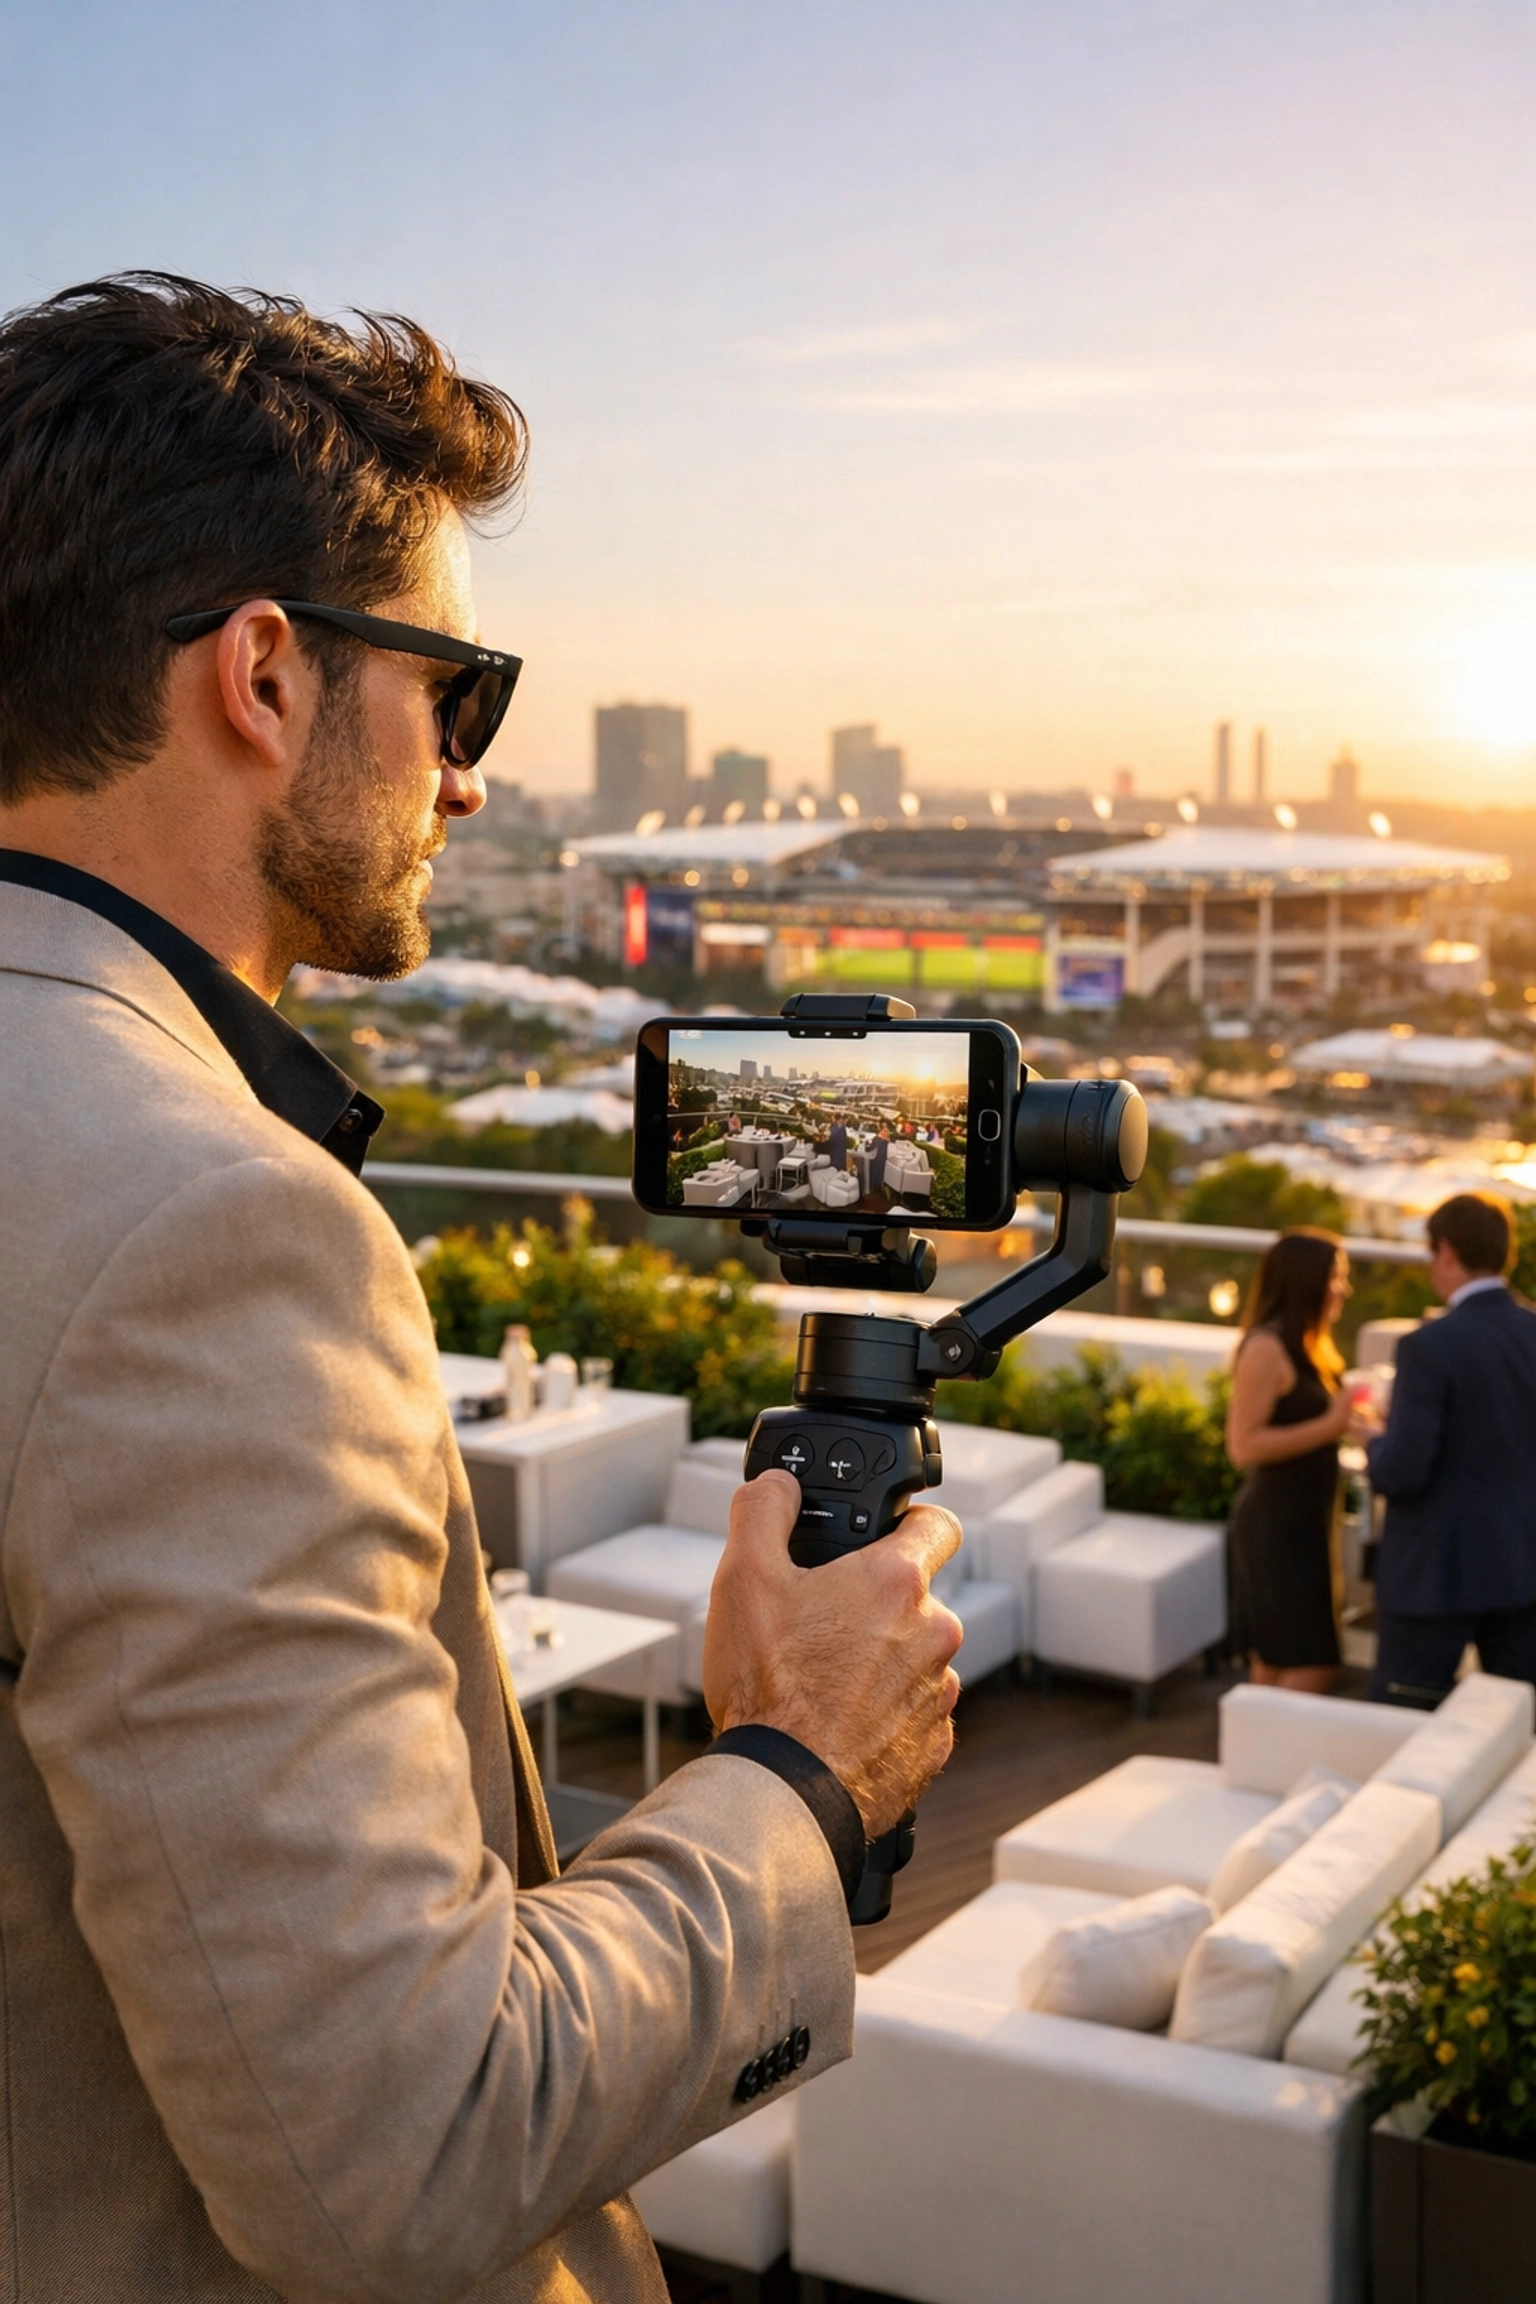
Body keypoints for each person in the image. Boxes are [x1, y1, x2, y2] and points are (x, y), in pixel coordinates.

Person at [0, 276, 964, 2304]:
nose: (469, 783)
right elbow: (396, 2154)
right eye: (461, 693)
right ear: (264, 676)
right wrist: (801, 1763)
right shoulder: (197, 1223)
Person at [1366, 1192, 1536, 1703]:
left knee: (1404, 1728)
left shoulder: (1428, 1346)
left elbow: (1402, 1472)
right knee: (1517, 1730)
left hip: (1435, 1577)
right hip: (1523, 1568)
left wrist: (1372, 1440)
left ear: (1445, 1252)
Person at [1225, 1229, 1363, 1692]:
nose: (1343, 1289)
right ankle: (1271, 1757)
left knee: (1275, 1662)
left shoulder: (1310, 1344)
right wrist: (1331, 1425)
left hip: (1305, 1524)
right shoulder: (1266, 1348)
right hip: (1275, 1528)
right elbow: (1242, 1445)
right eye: (1335, 1278)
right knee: (1311, 1663)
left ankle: (1256, 1758)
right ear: (1306, 1282)